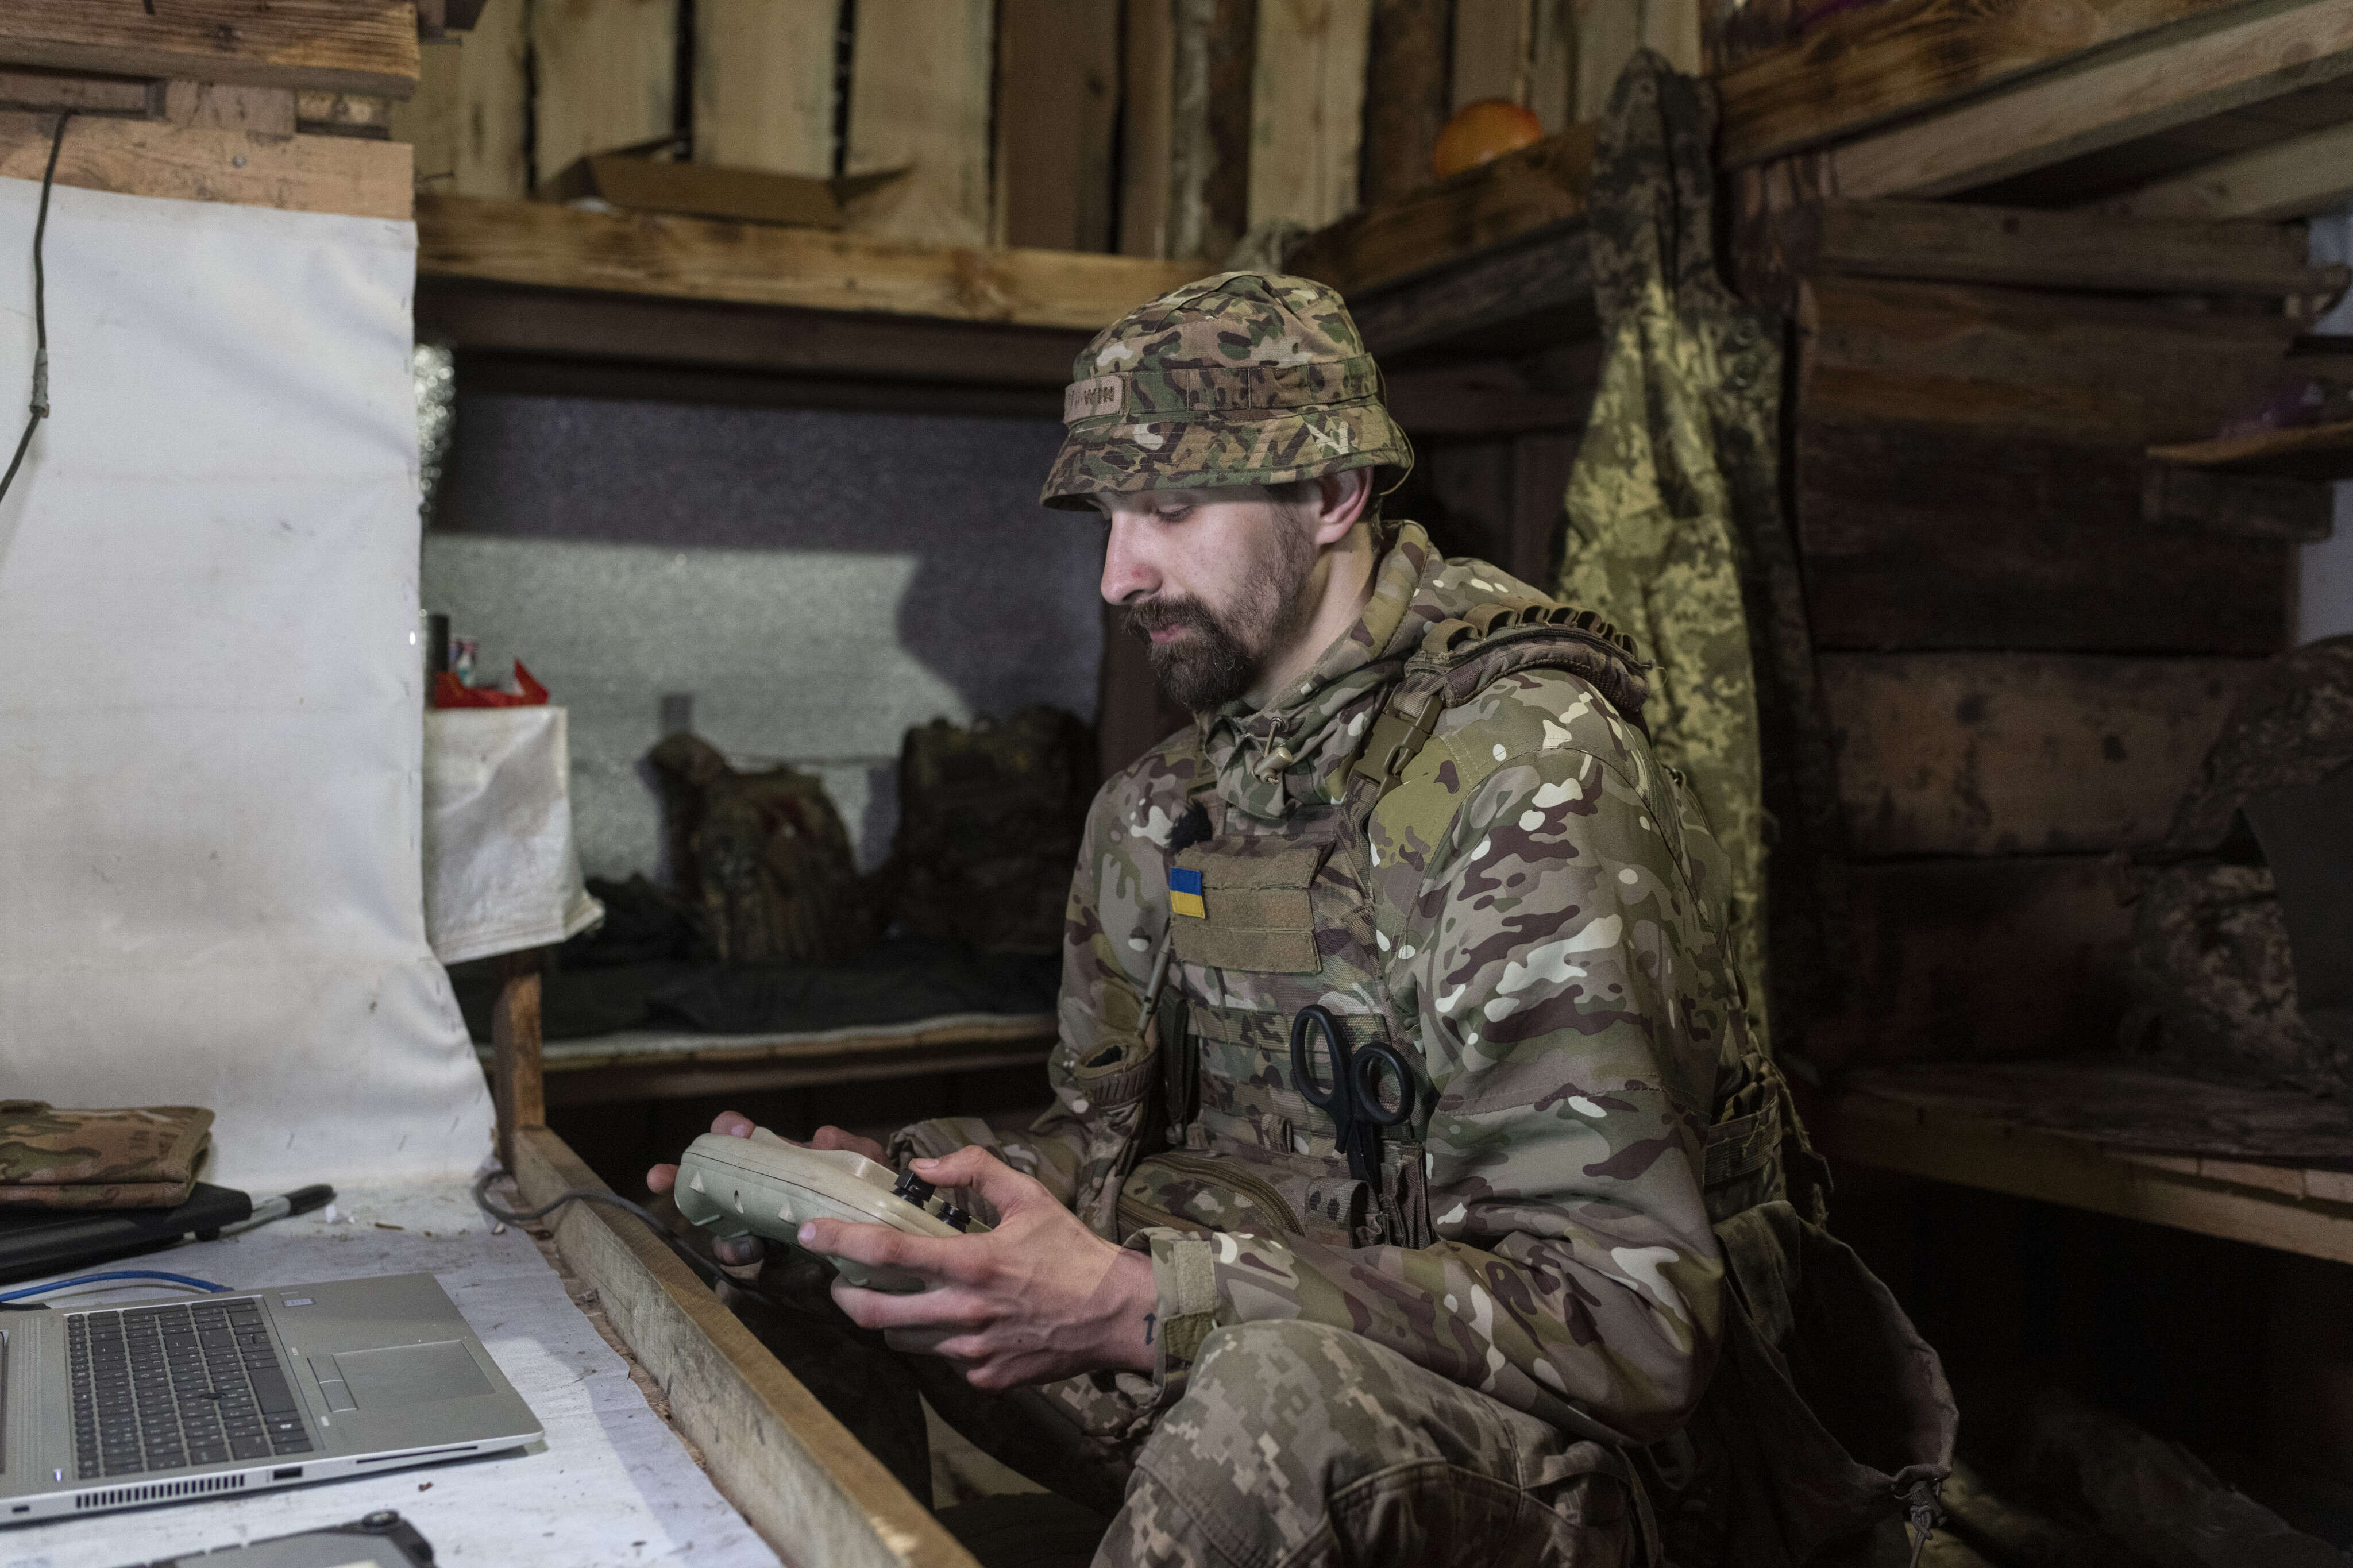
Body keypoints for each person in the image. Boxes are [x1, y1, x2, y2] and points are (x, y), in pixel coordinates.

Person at [650, 272, 1941, 1567]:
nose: (1116, 573)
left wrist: (1147, 1299)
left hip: (1617, 1478)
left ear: (1332, 498)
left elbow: (1627, 1321)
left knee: (1271, 1414)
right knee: (836, 1252)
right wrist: (922, 1190)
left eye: (1166, 507)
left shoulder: (1527, 780)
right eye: (1105, 516)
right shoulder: (1158, 814)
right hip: (1263, 1373)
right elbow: (1103, 1157)